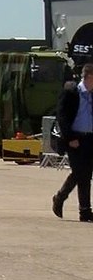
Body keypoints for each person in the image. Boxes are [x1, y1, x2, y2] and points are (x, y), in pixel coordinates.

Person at [52, 63, 93, 222]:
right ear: (89, 77)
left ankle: (84, 211)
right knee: (79, 172)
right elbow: (62, 117)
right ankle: (60, 197)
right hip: (75, 139)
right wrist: (70, 138)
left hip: (90, 138)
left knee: (85, 174)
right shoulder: (71, 92)